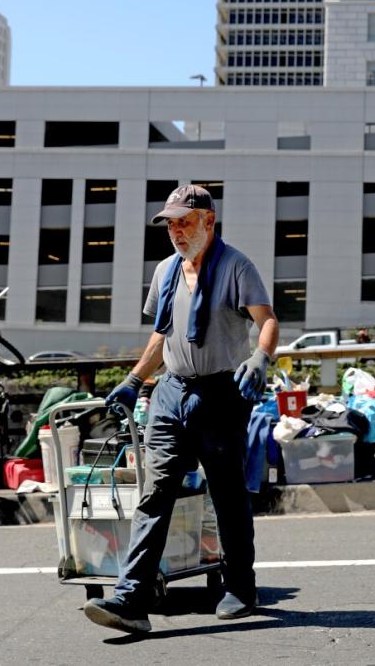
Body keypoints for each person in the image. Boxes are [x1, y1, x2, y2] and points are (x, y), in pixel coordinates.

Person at [83, 184, 279, 634]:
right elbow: (162, 334)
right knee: (155, 492)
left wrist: (261, 357)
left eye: (184, 221)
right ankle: (132, 598)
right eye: (170, 223)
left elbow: (267, 319)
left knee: (228, 495)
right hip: (171, 392)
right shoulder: (166, 270)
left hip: (220, 393)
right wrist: (135, 380)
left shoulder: (236, 266)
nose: (176, 231)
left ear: (209, 221)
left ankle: (241, 588)